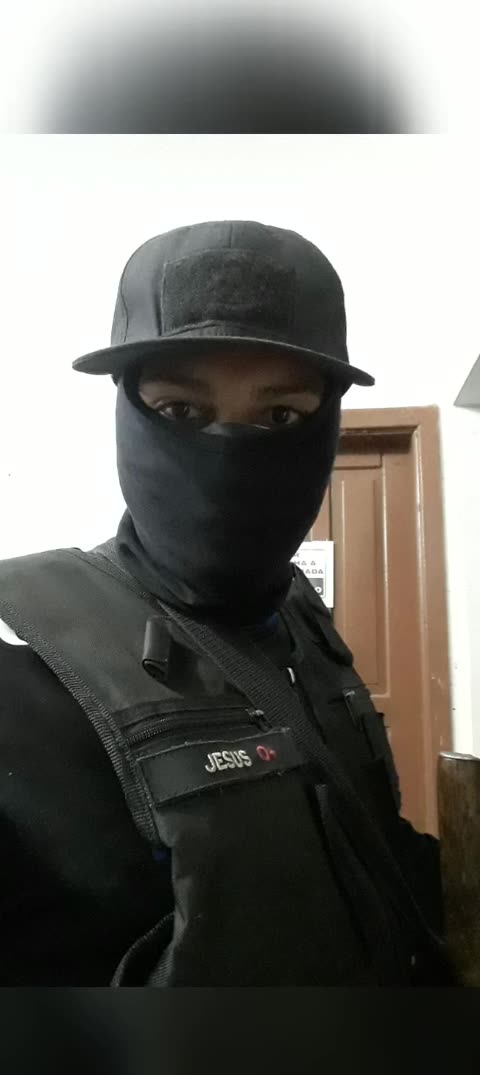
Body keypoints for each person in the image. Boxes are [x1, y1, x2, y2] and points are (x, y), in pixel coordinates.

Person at [0, 220, 450, 985]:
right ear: (127, 413)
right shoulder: (24, 663)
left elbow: (366, 847)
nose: (229, 453)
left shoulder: (302, 625)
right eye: (180, 410)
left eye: (280, 417)